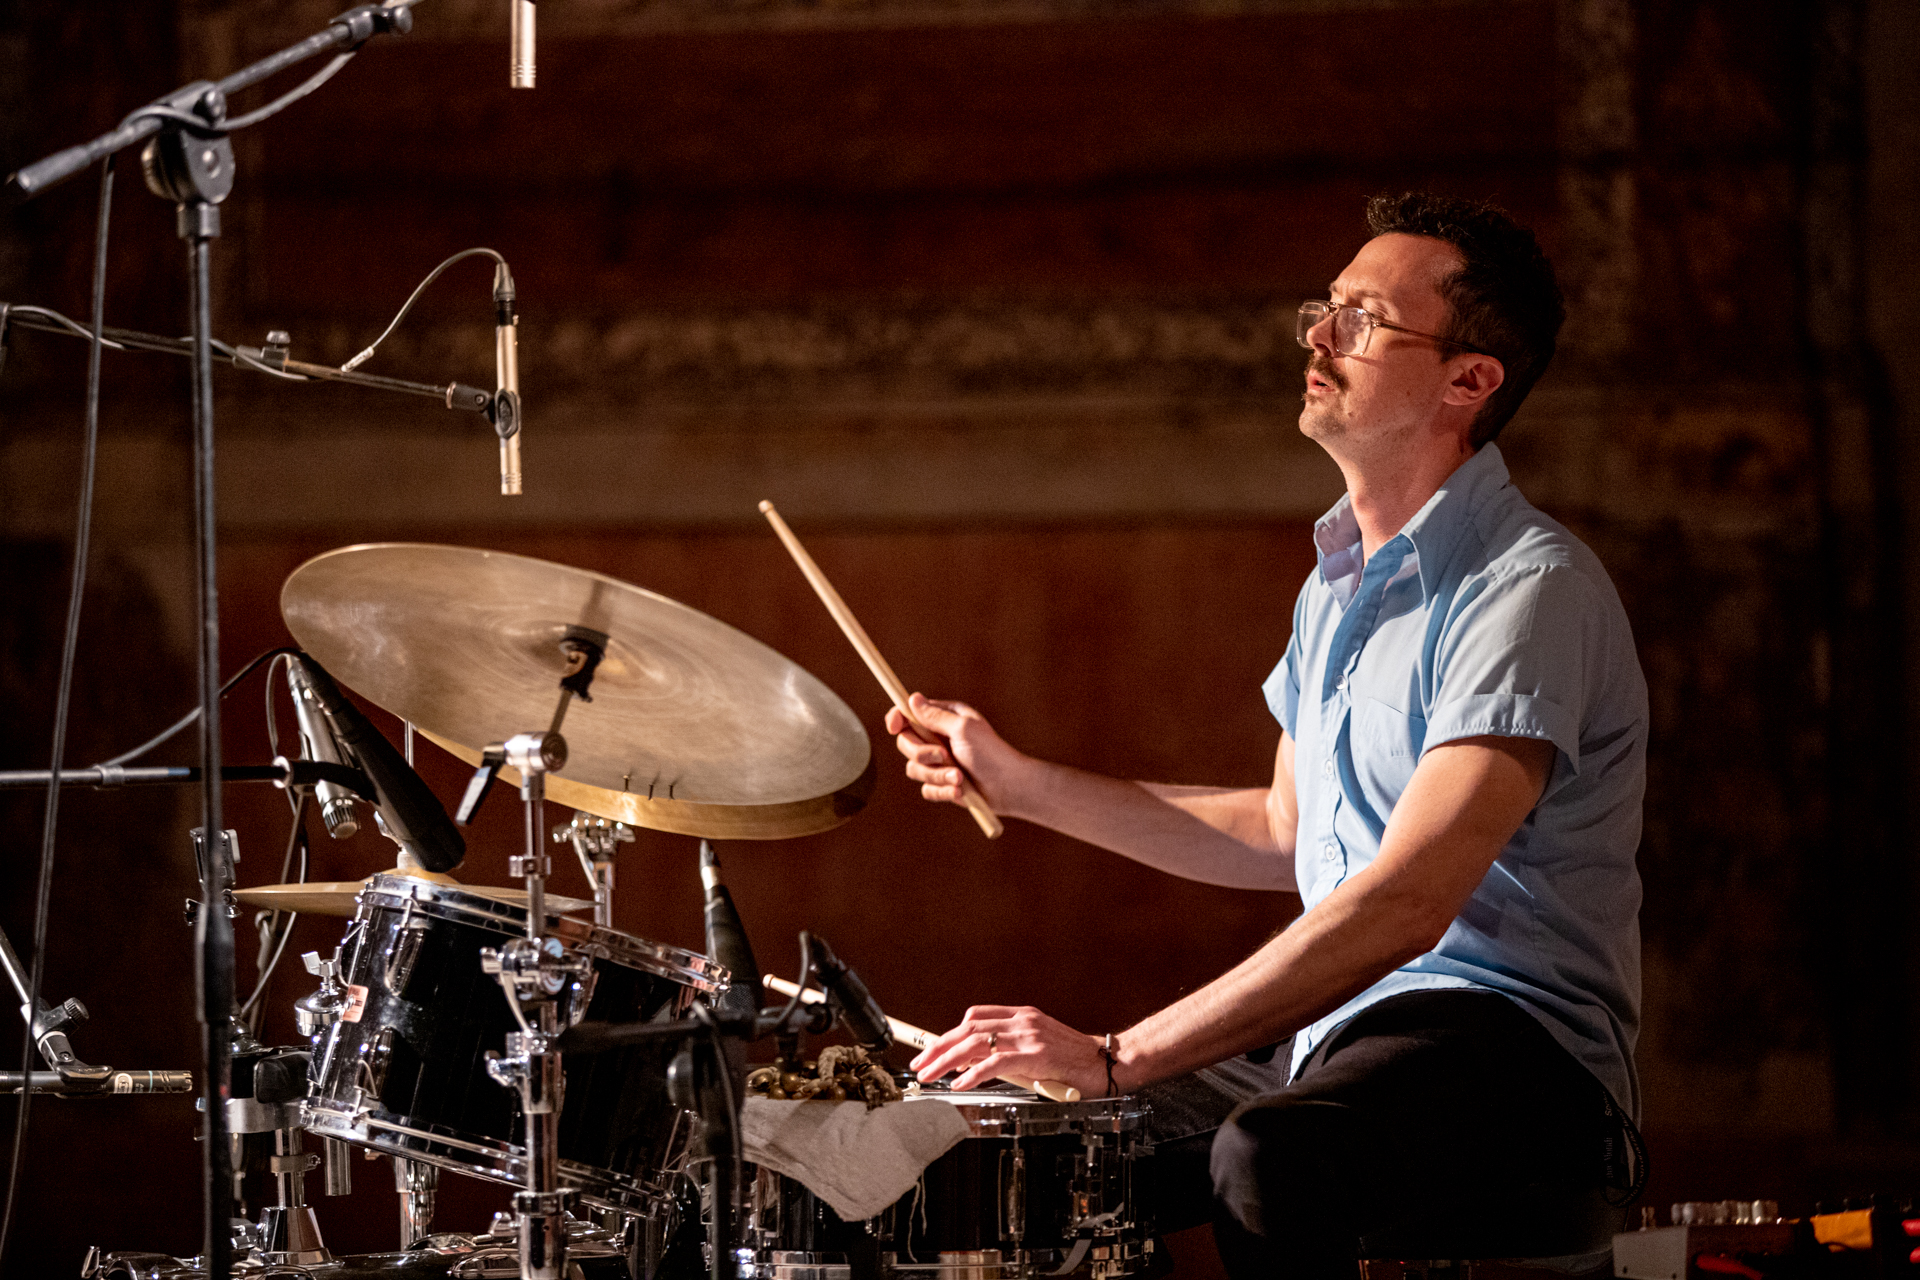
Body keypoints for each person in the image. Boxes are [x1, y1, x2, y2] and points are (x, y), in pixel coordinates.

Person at [893, 192, 1647, 1276]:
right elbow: (1283, 825)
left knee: (1268, 1153)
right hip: (1347, 1035)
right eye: (1323, 310)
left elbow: (1409, 896)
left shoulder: (1529, 590)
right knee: (1034, 1147)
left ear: (1470, 379)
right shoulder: (1332, 588)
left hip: (1521, 1053)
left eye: (1363, 320)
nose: (1317, 336)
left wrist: (1120, 1052)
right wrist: (1020, 783)